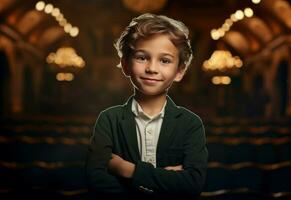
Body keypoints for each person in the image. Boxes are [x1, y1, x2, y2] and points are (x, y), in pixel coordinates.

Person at [85, 13, 208, 200]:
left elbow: (192, 185)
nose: (152, 68)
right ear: (126, 65)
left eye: (165, 60)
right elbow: (96, 182)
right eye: (142, 57)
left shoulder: (190, 124)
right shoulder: (109, 119)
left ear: (179, 71)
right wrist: (167, 182)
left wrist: (127, 170)